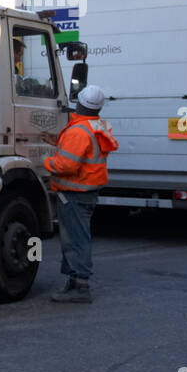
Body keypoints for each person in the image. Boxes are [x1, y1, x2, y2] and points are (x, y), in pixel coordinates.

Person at [41, 85, 117, 303]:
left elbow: (66, 165)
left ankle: (80, 287)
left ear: (79, 103)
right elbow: (83, 147)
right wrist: (57, 140)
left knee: (75, 241)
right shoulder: (97, 126)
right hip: (86, 192)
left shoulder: (77, 131)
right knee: (77, 238)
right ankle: (74, 283)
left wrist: (44, 162)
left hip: (74, 193)